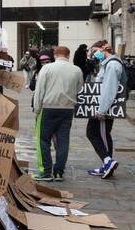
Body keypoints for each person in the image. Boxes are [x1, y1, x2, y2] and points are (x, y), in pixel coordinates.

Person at [32, 45, 84, 180]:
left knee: (43, 140)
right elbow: (79, 88)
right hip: (67, 109)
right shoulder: (77, 70)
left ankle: (46, 172)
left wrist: (37, 109)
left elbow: (39, 90)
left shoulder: (47, 68)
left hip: (48, 108)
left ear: (55, 55)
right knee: (63, 141)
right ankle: (59, 172)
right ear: (68, 55)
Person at [85, 40, 125, 178]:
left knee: (97, 133)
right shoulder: (106, 64)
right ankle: (107, 164)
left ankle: (108, 162)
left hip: (104, 107)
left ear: (103, 49)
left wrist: (102, 109)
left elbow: (109, 88)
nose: (94, 54)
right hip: (101, 105)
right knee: (99, 133)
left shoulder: (112, 65)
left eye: (95, 50)